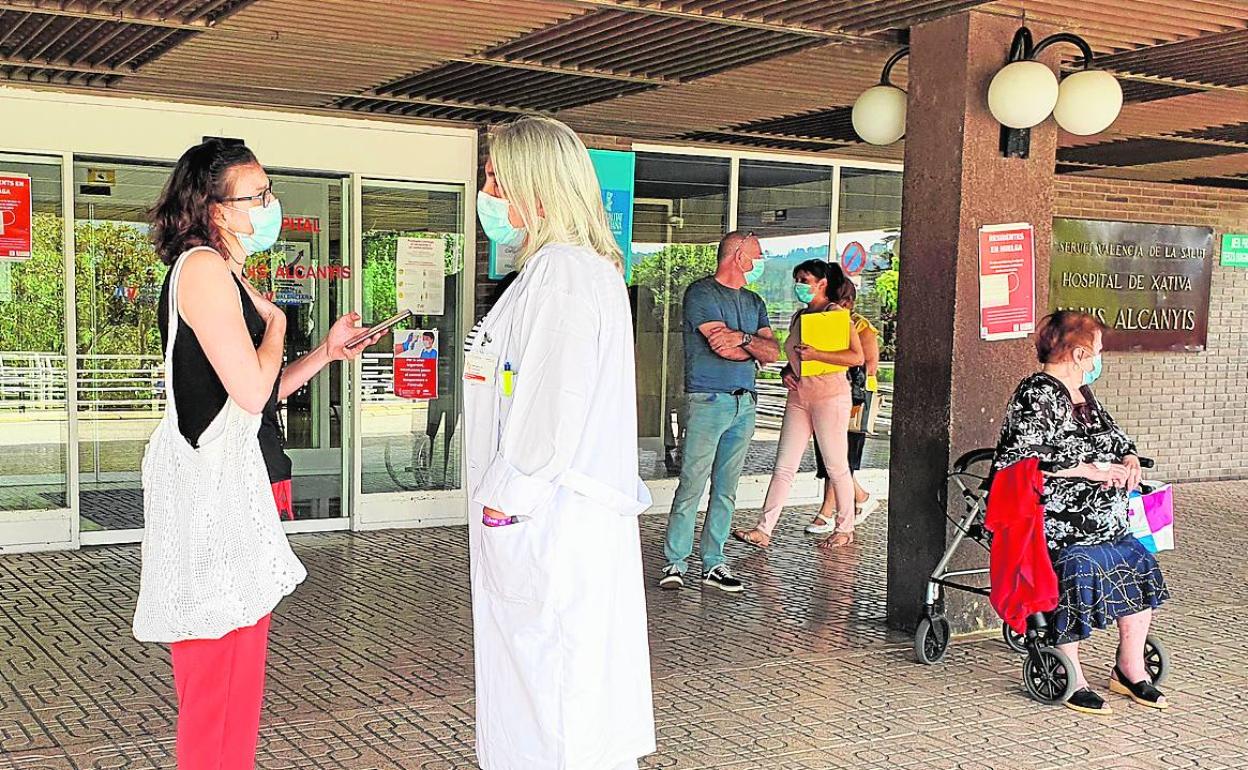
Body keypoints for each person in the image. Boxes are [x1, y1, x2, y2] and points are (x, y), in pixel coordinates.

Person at [134, 138, 379, 770]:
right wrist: (277, 327)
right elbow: (249, 390)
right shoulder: (204, 271)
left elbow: (255, 392)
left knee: (237, 683)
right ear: (215, 209)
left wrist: (323, 353)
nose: (272, 205)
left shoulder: (230, 271)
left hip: (230, 497)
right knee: (215, 684)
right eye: (259, 196)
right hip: (208, 505)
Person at [463, 116, 655, 770]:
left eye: (495, 177)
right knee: (556, 696)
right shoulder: (567, 271)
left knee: (555, 700)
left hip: (549, 523)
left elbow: (551, 409)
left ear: (534, 187)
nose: (487, 191)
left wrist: (504, 505)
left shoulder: (564, 275)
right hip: (550, 522)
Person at [993, 310, 1170, 716]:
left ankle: (1129, 668)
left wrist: (1127, 458)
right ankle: (1071, 669)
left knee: (1139, 562)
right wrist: (1087, 468)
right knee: (1078, 569)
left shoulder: (1084, 395)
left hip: (1105, 517)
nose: (1098, 360)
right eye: (1097, 352)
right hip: (1057, 520)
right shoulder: (1037, 392)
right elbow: (1024, 454)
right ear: (1077, 353)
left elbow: (1114, 435)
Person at [658, 231, 780, 593]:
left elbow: (772, 352)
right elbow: (719, 345)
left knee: (726, 489)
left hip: (745, 401)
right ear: (737, 254)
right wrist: (753, 346)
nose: (759, 263)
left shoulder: (754, 300)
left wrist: (742, 339)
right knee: (692, 483)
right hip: (708, 399)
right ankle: (675, 561)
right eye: (756, 255)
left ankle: (714, 562)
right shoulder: (701, 293)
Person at [731, 260, 862, 550]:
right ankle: (764, 529)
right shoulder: (799, 317)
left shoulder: (836, 314)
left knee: (836, 465)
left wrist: (819, 354)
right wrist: (787, 373)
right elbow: (794, 358)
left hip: (830, 396)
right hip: (800, 396)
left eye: (804, 279)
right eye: (797, 279)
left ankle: (845, 527)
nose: (799, 285)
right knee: (784, 465)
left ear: (822, 283)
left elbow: (856, 357)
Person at [811, 278, 881, 529]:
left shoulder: (862, 327)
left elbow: (868, 366)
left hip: (854, 401)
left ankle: (828, 512)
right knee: (830, 456)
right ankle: (860, 497)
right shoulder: (820, 323)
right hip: (825, 396)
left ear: (848, 303)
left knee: (840, 457)